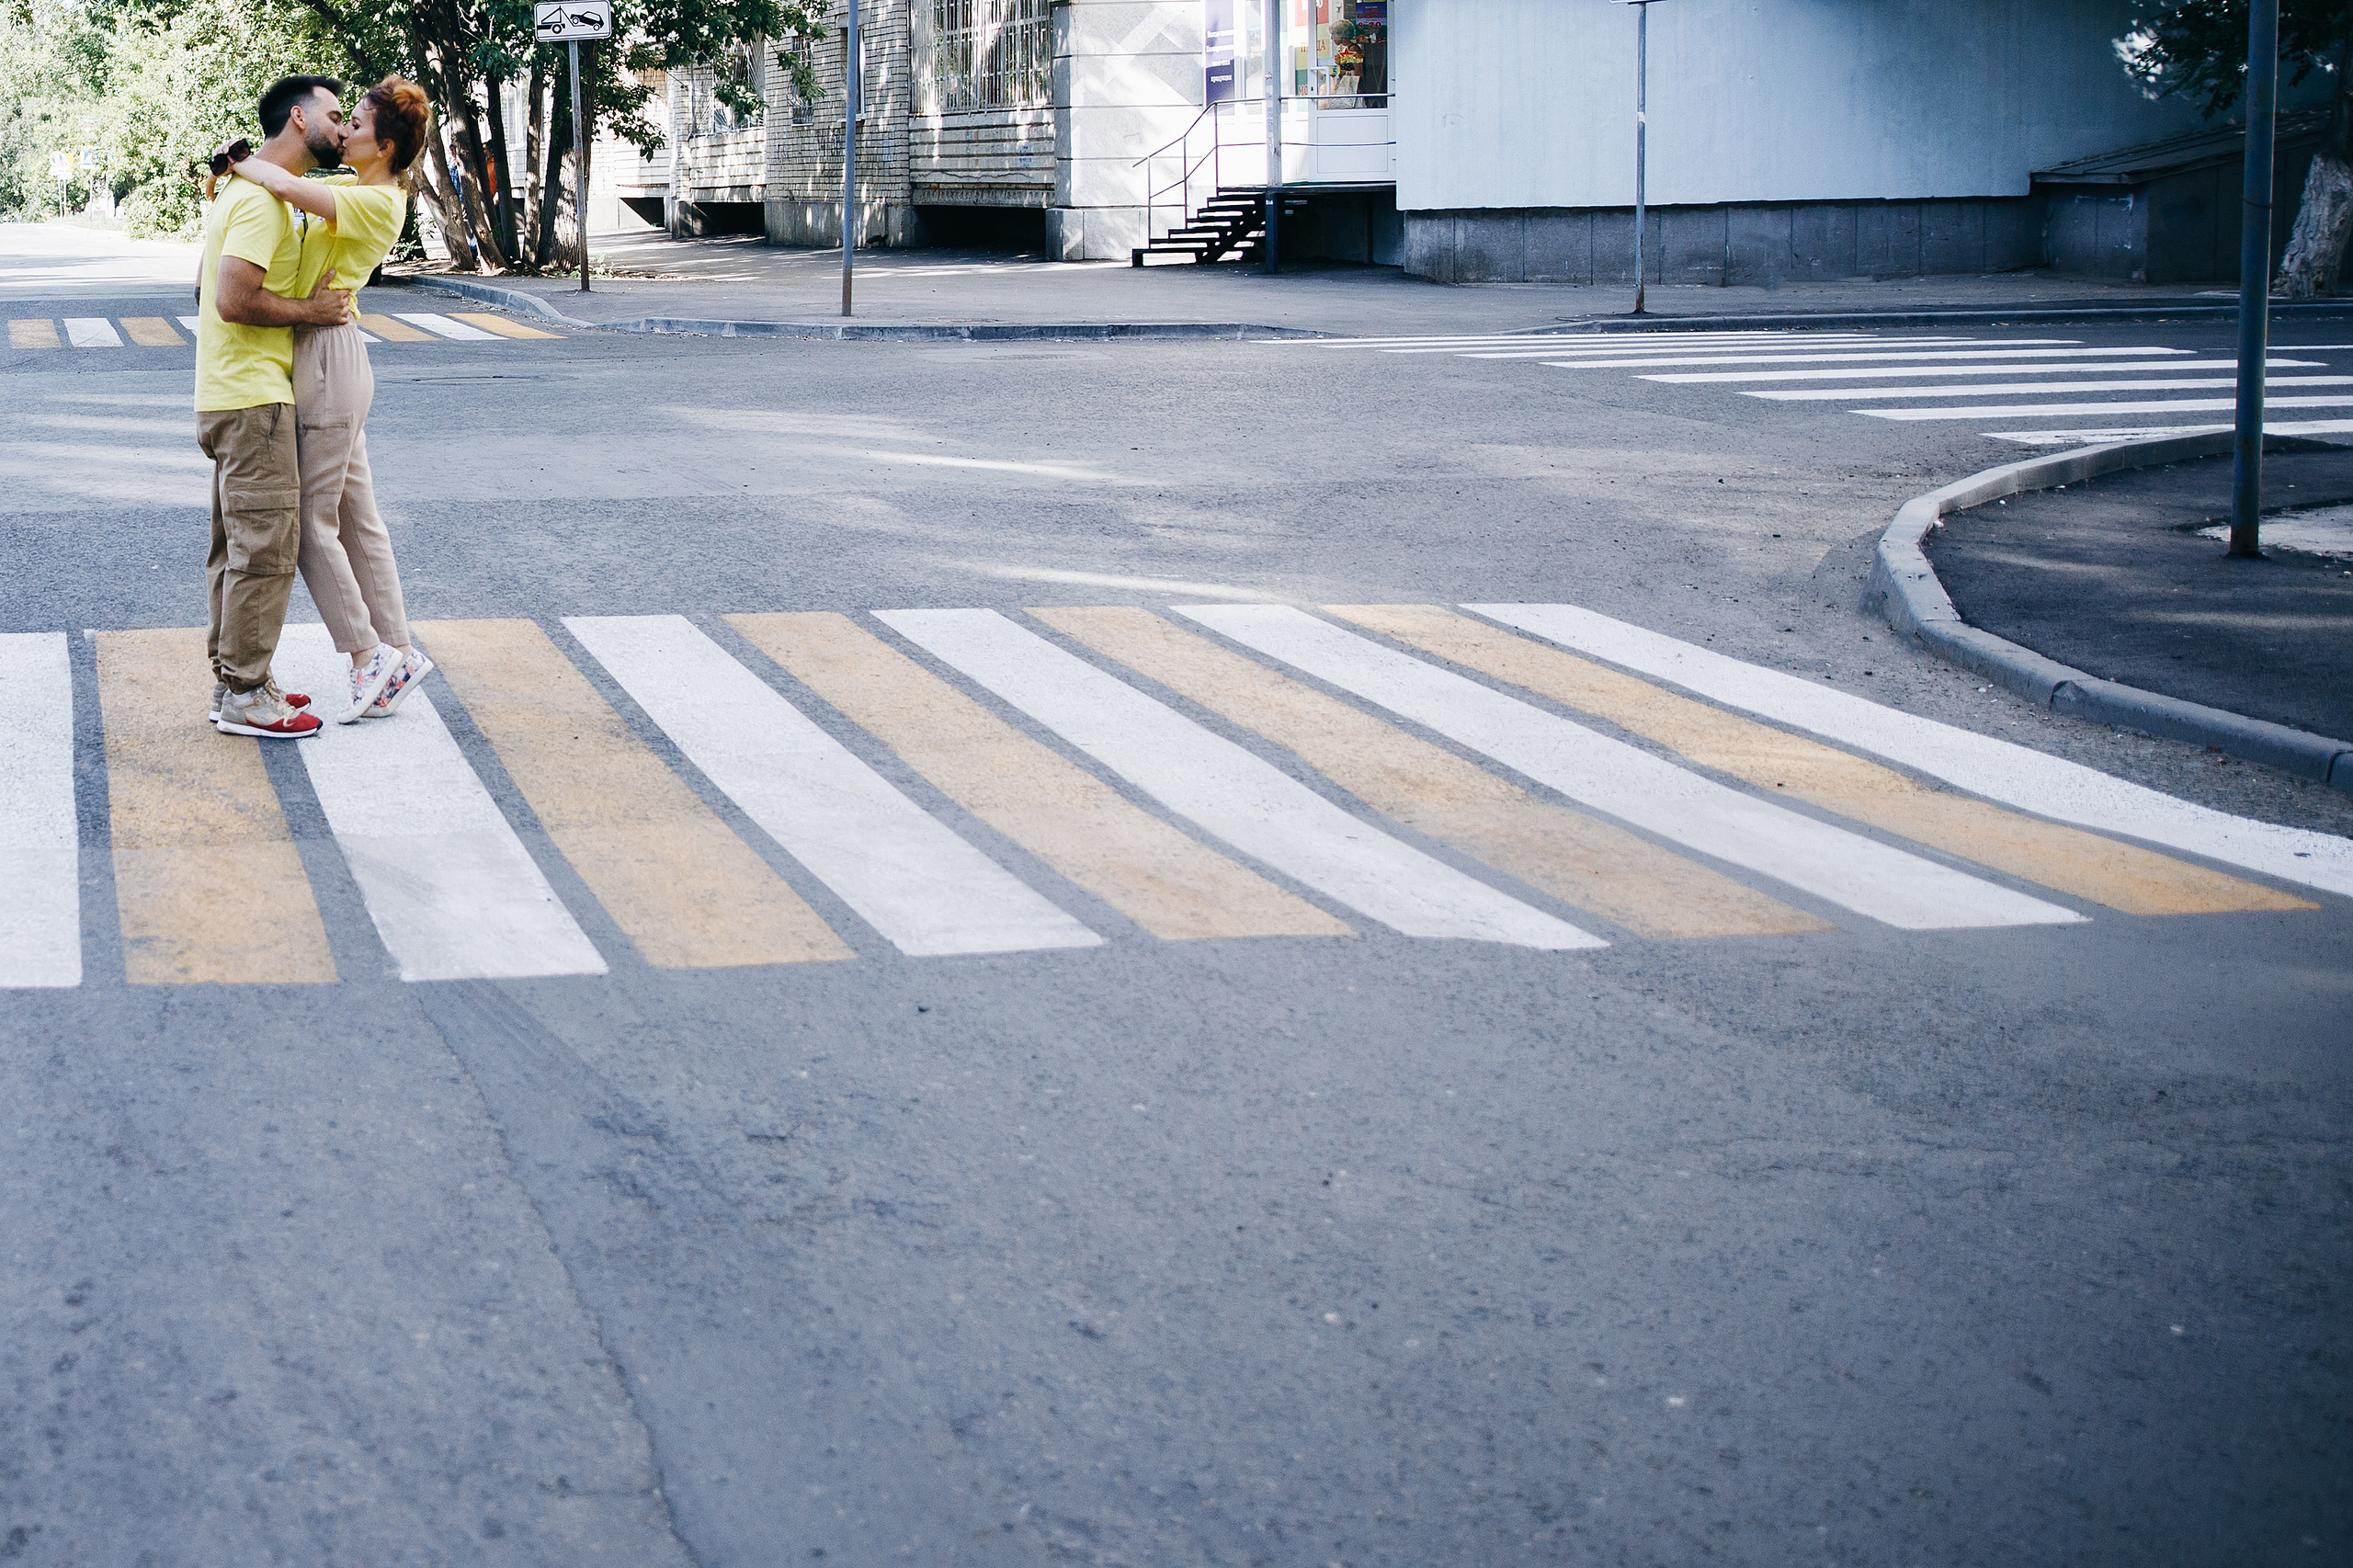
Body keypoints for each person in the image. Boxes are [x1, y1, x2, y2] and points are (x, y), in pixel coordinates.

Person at [221, 77, 436, 722]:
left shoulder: (381, 202)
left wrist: (240, 162)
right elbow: (283, 186)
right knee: (358, 518)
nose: (343, 133)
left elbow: (285, 186)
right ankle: (398, 650)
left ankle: (366, 655)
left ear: (385, 146)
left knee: (310, 524)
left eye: (357, 126)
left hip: (326, 358)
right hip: (335, 357)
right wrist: (231, 177)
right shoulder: (355, 187)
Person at [197, 74, 352, 737]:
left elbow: (202, 283)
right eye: (335, 115)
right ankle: (245, 692)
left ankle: (235, 679)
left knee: (237, 550)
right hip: (254, 398)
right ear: (298, 119)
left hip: (229, 395)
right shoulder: (260, 202)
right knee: (265, 550)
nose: (343, 129)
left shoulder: (246, 189)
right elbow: (231, 297)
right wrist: (310, 311)